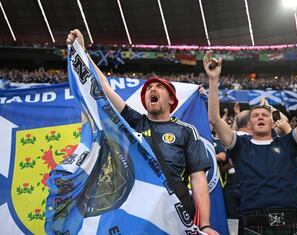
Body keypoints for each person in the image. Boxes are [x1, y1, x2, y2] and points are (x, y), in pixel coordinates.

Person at [66, 29, 219, 235]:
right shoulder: (133, 122)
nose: (152, 90)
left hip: (175, 212)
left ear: (172, 100)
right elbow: (105, 90)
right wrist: (83, 52)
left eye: (158, 87)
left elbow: (198, 178)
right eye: (148, 89)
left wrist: (206, 225)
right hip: (137, 211)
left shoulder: (186, 131)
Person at [204, 44, 297, 234]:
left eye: (265, 114)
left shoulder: (287, 142)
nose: (261, 117)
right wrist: (213, 80)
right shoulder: (239, 144)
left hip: (293, 220)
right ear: (250, 124)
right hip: (252, 221)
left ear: (273, 123)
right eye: (255, 116)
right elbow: (214, 119)